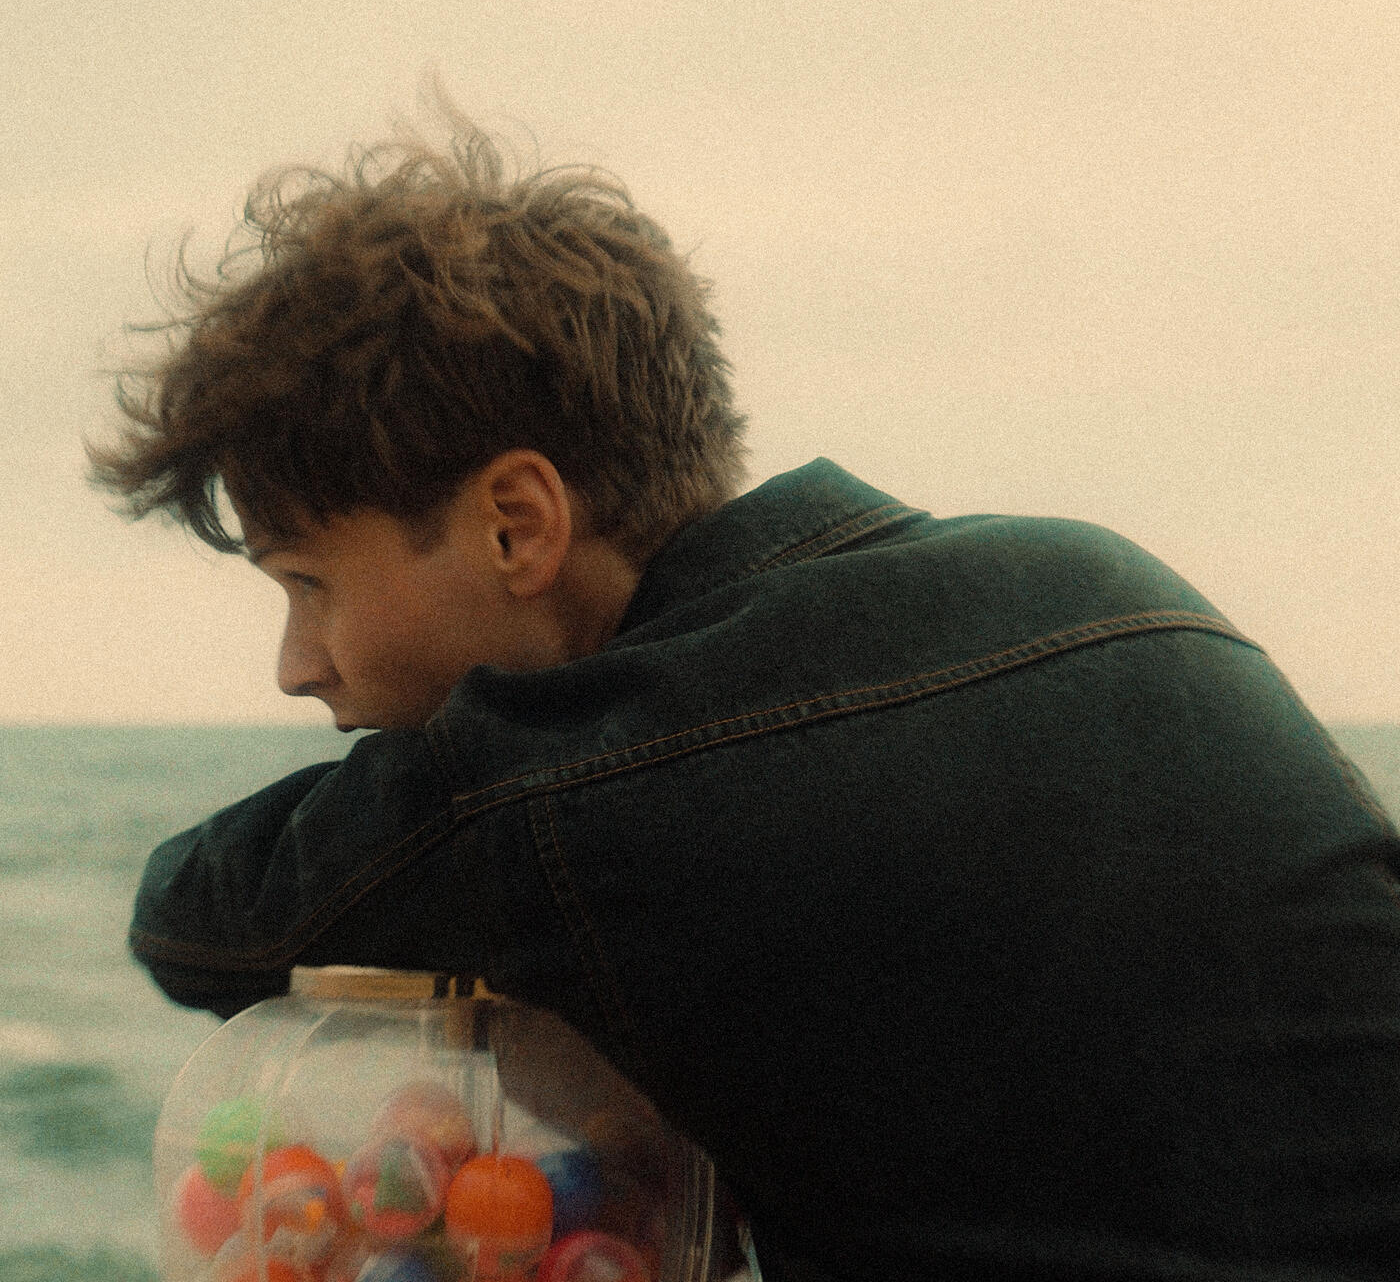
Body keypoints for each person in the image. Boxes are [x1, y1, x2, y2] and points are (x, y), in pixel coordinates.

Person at [92, 115, 1400, 1282]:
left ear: (515, 524)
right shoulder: (1114, 584)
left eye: (310, 583)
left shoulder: (610, 791)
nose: (298, 663)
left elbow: (201, 919)